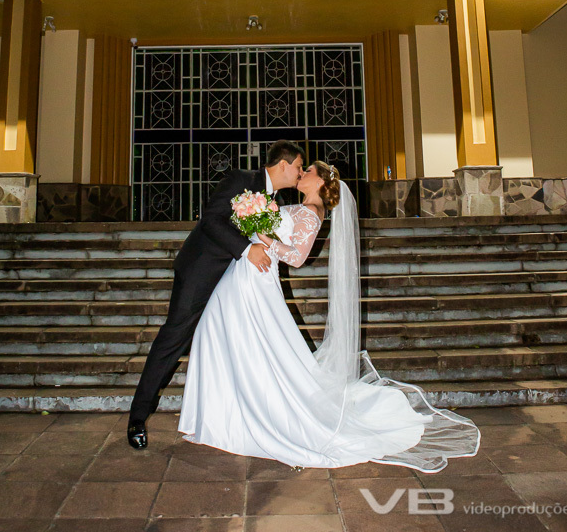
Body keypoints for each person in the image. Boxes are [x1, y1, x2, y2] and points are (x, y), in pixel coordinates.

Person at [177, 161, 481, 471]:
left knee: (249, 345)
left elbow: (297, 257)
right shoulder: (298, 207)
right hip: (246, 274)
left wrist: (263, 237)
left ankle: (238, 417)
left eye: (307, 170)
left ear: (321, 181)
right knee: (229, 339)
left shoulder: (312, 212)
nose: (302, 173)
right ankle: (222, 415)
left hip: (258, 277)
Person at [127, 139, 305, 449]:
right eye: (299, 167)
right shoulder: (241, 179)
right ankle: (137, 418)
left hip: (234, 284)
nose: (301, 173)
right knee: (173, 339)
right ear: (283, 165)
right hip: (201, 272)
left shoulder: (274, 199)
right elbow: (211, 220)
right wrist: (247, 249)